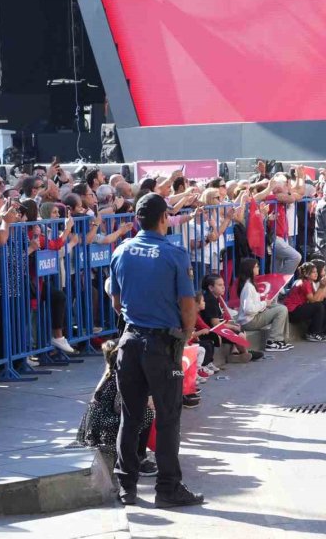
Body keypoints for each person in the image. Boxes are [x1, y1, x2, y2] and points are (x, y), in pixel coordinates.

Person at [109, 193, 204, 508]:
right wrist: (184, 339)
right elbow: (188, 307)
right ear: (165, 218)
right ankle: (168, 488)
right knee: (169, 416)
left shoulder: (120, 251)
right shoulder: (174, 254)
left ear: (137, 219)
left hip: (130, 344)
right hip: (165, 348)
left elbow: (115, 302)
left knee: (131, 416)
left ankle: (126, 488)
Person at [74, 340, 157, 476]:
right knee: (146, 413)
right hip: (105, 431)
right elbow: (120, 407)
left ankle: (136, 453)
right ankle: (139, 458)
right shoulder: (121, 378)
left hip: (99, 426)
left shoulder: (109, 373)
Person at [235, 258, 292, 352]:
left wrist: (265, 303)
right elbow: (248, 309)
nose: (258, 268)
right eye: (256, 267)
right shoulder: (248, 287)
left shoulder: (250, 284)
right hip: (249, 321)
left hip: (253, 317)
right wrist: (264, 303)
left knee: (281, 307)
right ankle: (272, 341)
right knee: (281, 310)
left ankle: (281, 340)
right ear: (250, 269)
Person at [284, 263, 326, 342]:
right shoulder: (304, 283)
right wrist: (321, 287)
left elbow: (319, 299)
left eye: (316, 271)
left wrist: (323, 287)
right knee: (318, 306)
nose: (316, 274)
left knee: (325, 304)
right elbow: (313, 300)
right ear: (306, 274)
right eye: (313, 272)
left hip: (298, 309)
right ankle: (312, 333)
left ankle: (320, 332)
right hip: (292, 312)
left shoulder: (309, 283)